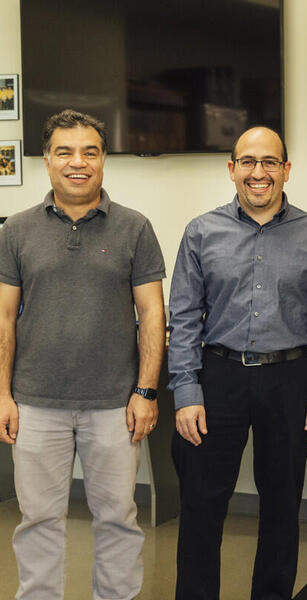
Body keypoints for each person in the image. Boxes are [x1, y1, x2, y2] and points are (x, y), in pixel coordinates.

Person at [168, 126, 307, 600]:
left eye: (269, 162)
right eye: (248, 162)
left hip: (289, 378)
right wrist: (185, 394)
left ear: (286, 171)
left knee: (281, 507)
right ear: (232, 170)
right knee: (201, 507)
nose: (258, 172)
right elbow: (183, 319)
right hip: (217, 376)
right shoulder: (201, 232)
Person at [0, 109, 166, 599]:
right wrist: (2, 395)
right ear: (47, 160)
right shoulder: (16, 230)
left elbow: (152, 317)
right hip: (34, 404)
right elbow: (3, 319)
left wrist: (146, 391)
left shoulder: (134, 228)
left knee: (118, 520)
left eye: (89, 152)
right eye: (65, 152)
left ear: (103, 160)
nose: (78, 162)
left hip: (115, 405)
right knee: (38, 522)